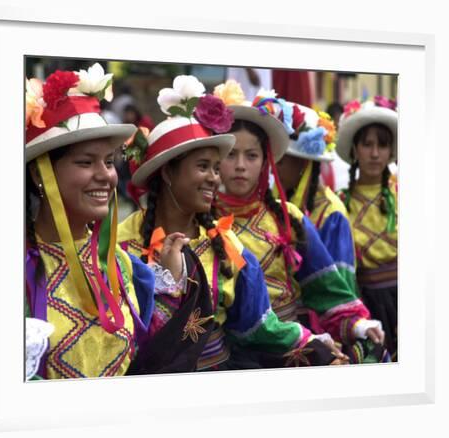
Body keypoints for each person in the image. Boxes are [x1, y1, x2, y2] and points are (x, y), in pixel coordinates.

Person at [119, 75, 346, 372]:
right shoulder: (121, 245)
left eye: (216, 168)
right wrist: (165, 284)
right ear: (167, 172)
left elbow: (259, 325)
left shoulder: (227, 246)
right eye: (203, 167)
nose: (215, 177)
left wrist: (311, 342)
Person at [24, 64, 187, 380]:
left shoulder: (123, 266)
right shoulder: (11, 273)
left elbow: (146, 354)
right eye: (86, 162)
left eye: (110, 162)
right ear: (39, 173)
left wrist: (171, 282)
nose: (106, 175)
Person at [212, 81, 386, 363]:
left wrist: (356, 323)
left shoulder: (287, 217)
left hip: (289, 348)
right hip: (231, 356)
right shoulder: (205, 223)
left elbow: (325, 287)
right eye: (231, 154)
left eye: (252, 155)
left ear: (266, 162)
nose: (241, 165)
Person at [274, 100, 389, 362]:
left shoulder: (330, 214)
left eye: (283, 159)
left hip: (323, 330)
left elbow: (339, 289)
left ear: (304, 165)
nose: (274, 165)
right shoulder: (278, 209)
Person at [337, 96, 398, 358]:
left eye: (382, 145)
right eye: (367, 145)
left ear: (391, 151)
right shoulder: (338, 203)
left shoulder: (403, 193)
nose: (375, 153)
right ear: (355, 149)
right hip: (364, 305)